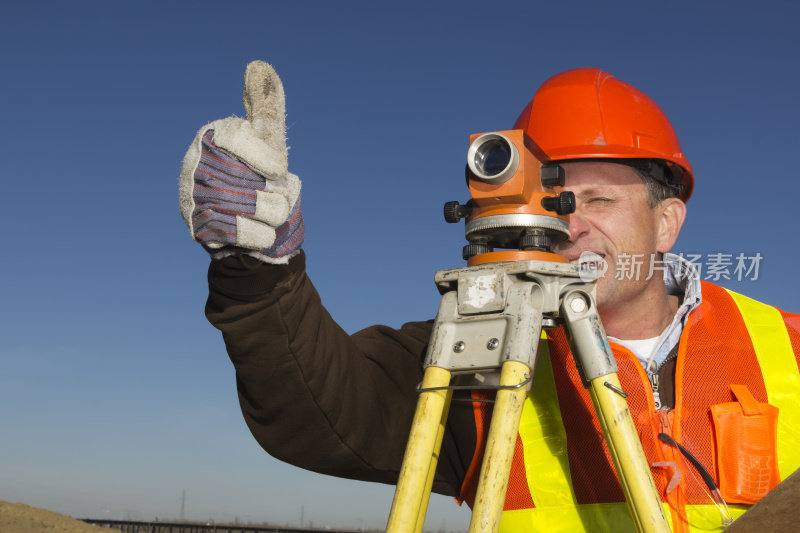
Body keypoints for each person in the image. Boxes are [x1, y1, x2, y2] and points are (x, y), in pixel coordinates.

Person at [179, 61, 800, 532]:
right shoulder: (476, 359)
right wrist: (258, 269)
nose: (569, 223)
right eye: (550, 198)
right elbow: (316, 411)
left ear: (667, 222)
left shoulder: (788, 346)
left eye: (600, 200)